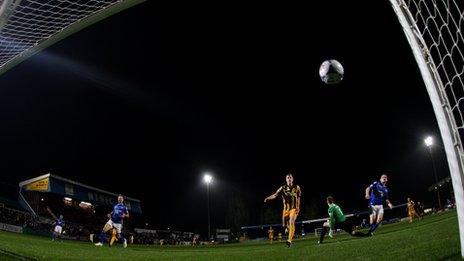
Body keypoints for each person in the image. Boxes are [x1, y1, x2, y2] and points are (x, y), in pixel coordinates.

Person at [264, 173, 301, 247]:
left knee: (291, 222)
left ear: (292, 179)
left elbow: (299, 198)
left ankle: (289, 240)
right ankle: (288, 229)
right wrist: (268, 198)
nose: (289, 178)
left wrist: (298, 208)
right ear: (286, 179)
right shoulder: (282, 188)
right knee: (284, 225)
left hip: (294, 209)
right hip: (286, 210)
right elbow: (275, 195)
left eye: (290, 177)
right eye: (288, 177)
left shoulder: (297, 187)